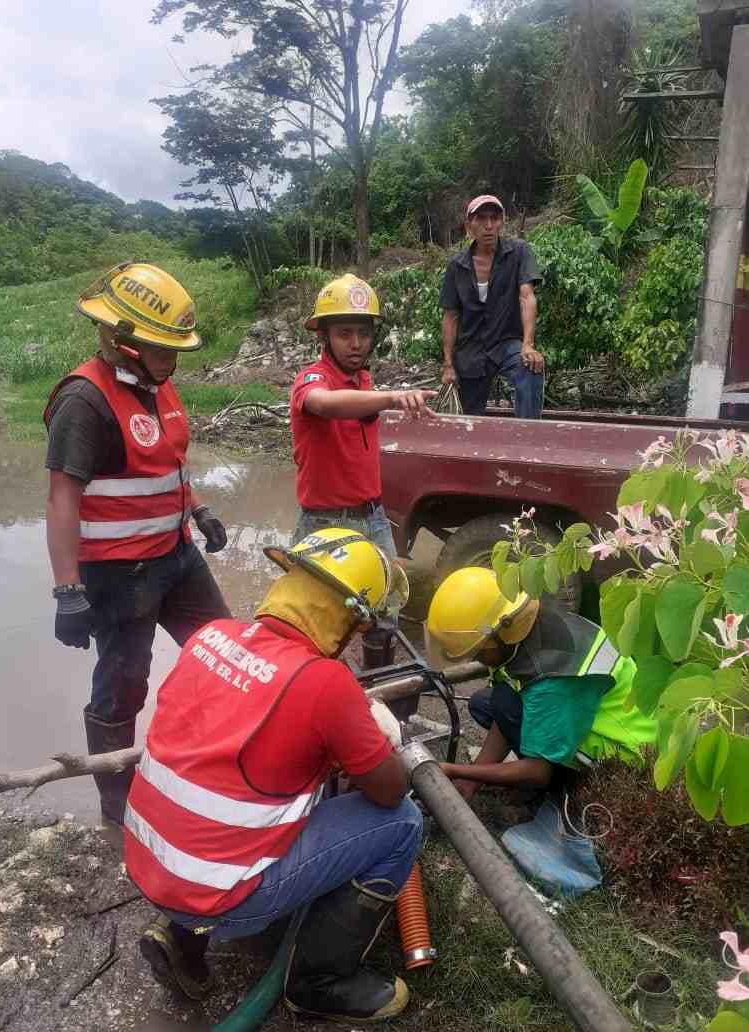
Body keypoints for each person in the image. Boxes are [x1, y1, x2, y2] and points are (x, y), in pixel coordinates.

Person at [126, 527, 422, 1023]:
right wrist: (377, 735)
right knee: (403, 825)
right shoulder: (324, 683)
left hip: (148, 862)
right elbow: (390, 791)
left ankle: (181, 938)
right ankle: (317, 983)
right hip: (217, 898)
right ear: (348, 616)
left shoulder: (210, 636)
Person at [44, 261, 231, 826]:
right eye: (161, 350)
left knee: (222, 651)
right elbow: (60, 501)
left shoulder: (158, 384)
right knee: (123, 685)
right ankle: (116, 806)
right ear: (123, 342)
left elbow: (167, 461)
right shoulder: (84, 402)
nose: (171, 362)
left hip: (176, 556)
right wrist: (67, 591)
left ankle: (214, 761)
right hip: (118, 575)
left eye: (174, 351)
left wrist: (197, 507)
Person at [290, 273, 435, 668]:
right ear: (324, 337)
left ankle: (380, 692)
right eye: (344, 333)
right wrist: (390, 397)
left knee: (385, 612)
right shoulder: (313, 378)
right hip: (325, 523)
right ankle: (315, 700)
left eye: (363, 333)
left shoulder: (364, 381)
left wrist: (379, 395)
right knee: (317, 623)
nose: (356, 344)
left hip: (373, 518)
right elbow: (322, 403)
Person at [424, 567, 658, 801]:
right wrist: (471, 780)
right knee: (492, 702)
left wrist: (456, 770)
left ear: (499, 634)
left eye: (478, 652)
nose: (476, 658)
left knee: (508, 707)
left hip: (627, 760)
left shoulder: (552, 678)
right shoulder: (528, 629)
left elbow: (537, 772)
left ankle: (568, 794)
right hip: (593, 713)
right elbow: (507, 704)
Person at [439, 194, 545, 418]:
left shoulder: (518, 253)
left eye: (494, 218)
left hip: (506, 343)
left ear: (501, 222)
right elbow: (450, 316)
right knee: (471, 417)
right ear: (469, 225)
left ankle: (527, 437)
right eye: (481, 219)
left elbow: (526, 296)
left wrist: (528, 345)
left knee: (530, 368)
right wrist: (448, 365)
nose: (489, 226)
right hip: (471, 350)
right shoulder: (457, 266)